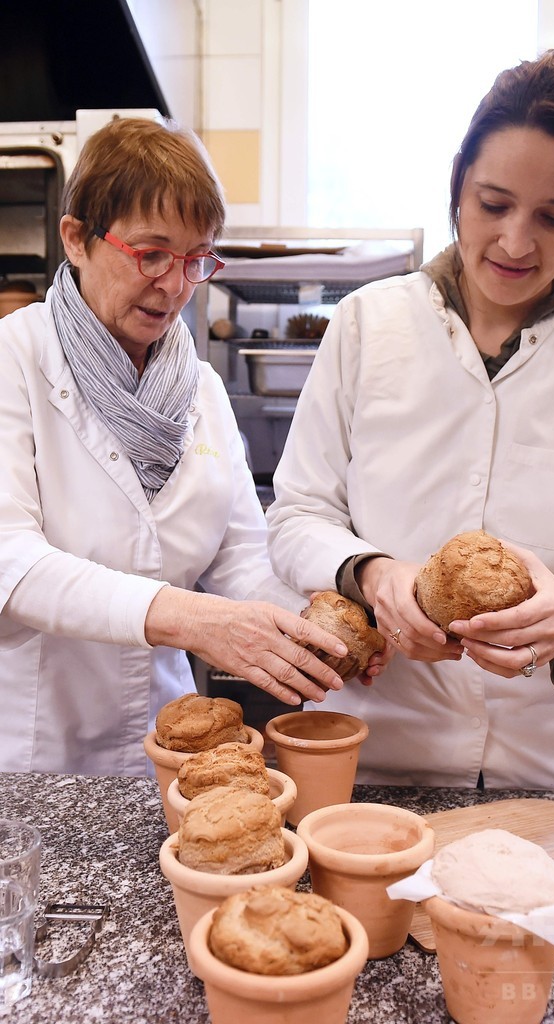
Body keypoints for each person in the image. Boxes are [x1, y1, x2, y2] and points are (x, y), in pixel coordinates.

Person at [267, 50, 554, 792]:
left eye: (553, 217)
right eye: (494, 205)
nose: (517, 242)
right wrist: (374, 574)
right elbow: (299, 513)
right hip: (381, 757)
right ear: (458, 184)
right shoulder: (368, 327)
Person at [0, 117, 351, 777]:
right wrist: (188, 619)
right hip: (33, 757)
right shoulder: (13, 360)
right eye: (151, 253)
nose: (175, 285)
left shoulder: (201, 389)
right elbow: (12, 564)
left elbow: (240, 559)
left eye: (196, 259)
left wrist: (315, 625)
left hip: (171, 750)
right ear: (76, 238)